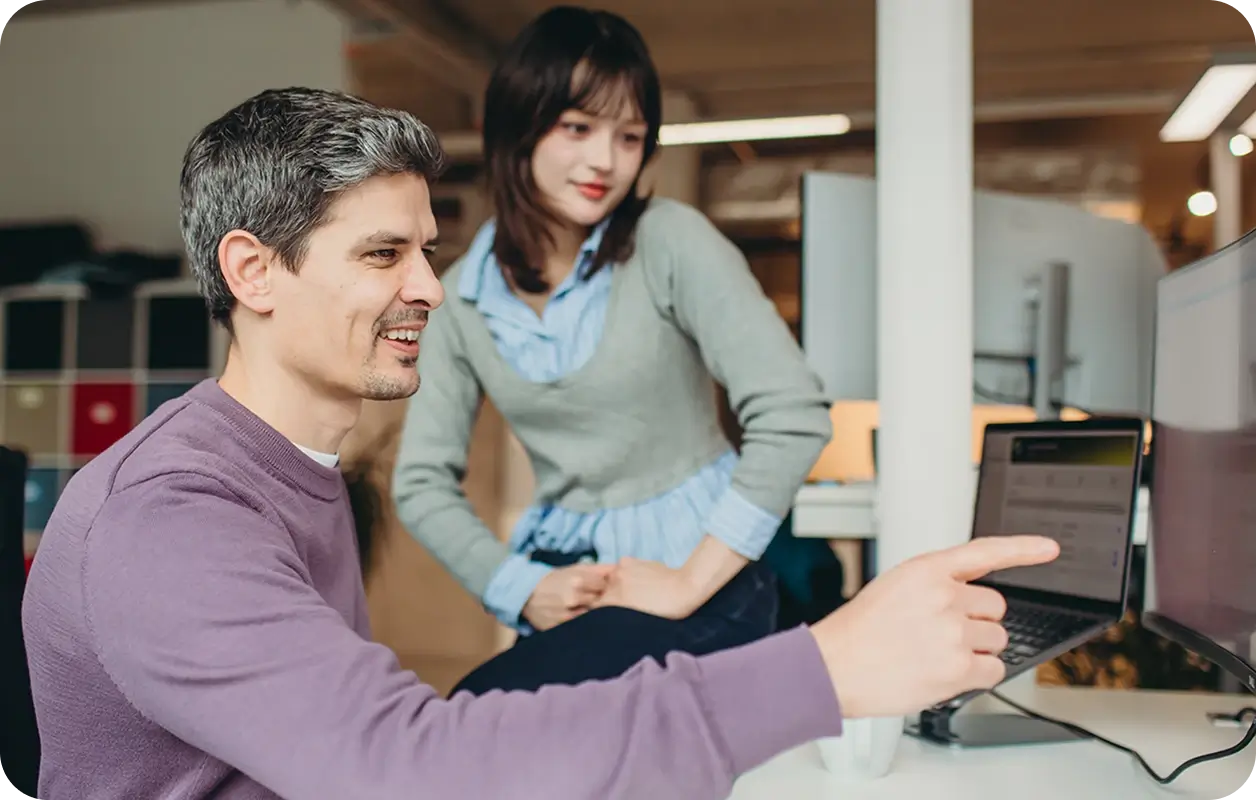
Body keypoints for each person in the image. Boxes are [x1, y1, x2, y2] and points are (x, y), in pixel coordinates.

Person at [20, 85, 1060, 800]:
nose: (427, 285)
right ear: (251, 272)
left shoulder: (296, 473)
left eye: (424, 250)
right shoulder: (171, 519)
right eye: (382, 252)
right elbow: (403, 766)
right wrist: (822, 668)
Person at [392, 5, 832, 694]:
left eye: (629, 137)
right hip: (569, 593)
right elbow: (419, 484)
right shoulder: (460, 300)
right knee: (497, 733)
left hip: (707, 580)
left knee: (491, 707)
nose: (606, 160)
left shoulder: (669, 242)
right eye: (578, 128)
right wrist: (519, 586)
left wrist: (688, 582)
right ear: (519, 125)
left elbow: (794, 414)